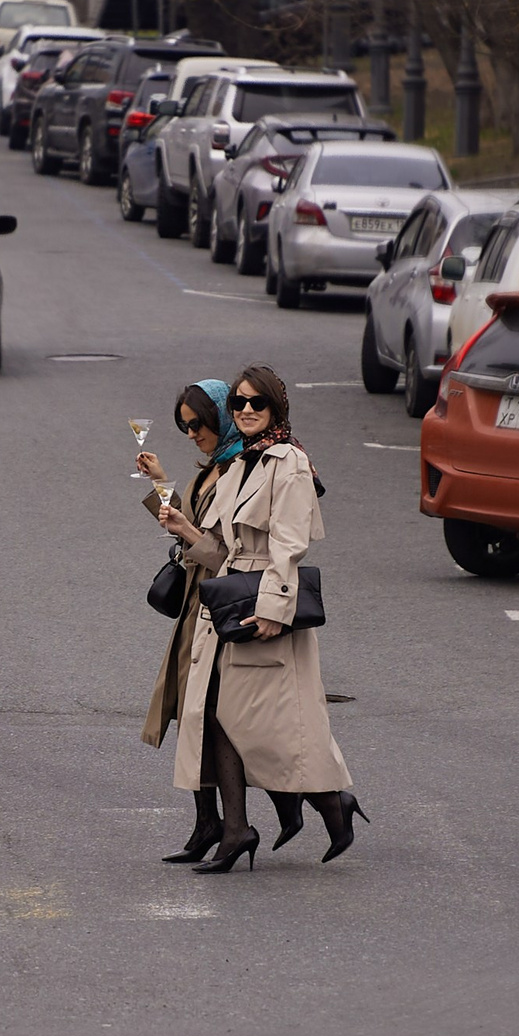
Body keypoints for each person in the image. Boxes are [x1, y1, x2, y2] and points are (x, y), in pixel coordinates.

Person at [158, 364, 364, 871]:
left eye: (257, 403)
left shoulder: (287, 462)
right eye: (240, 404)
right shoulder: (242, 463)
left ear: (276, 409)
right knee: (226, 718)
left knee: (278, 726)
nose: (246, 411)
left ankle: (328, 805)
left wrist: (274, 608)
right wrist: (183, 524)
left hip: (263, 606)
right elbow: (222, 548)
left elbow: (289, 543)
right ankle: (239, 829)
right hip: (230, 602)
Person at [136, 380, 247, 863]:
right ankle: (209, 823)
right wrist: (159, 481)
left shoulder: (242, 470)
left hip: (220, 610)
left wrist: (186, 532)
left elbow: (232, 552)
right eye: (184, 426)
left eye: (197, 423)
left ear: (221, 416)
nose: (190, 433)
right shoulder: (213, 470)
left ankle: (323, 802)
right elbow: (189, 522)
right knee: (189, 713)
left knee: (218, 719)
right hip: (196, 610)